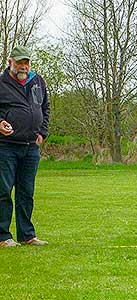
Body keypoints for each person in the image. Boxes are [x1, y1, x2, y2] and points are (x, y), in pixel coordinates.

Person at [0, 46, 50, 247]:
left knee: (26, 192)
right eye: (19, 62)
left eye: (26, 62)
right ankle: (3, 236)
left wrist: (42, 133)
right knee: (3, 190)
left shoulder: (37, 81)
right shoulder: (2, 83)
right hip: (6, 146)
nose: (23, 66)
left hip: (31, 147)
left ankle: (27, 235)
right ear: (10, 62)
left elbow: (45, 107)